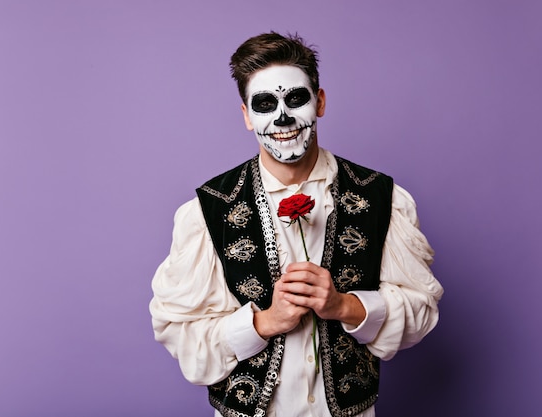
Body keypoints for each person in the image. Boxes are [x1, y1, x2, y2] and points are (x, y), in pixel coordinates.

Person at [149, 32, 444, 417]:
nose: (283, 118)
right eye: (266, 104)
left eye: (296, 99)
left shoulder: (380, 197)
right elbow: (178, 329)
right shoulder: (209, 210)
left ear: (319, 102)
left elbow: (420, 310)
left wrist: (345, 306)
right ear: (246, 117)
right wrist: (263, 322)